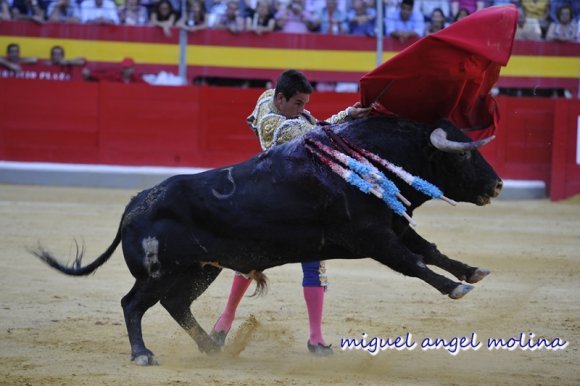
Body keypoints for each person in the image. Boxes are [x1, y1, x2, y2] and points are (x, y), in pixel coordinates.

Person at [210, 69, 371, 357]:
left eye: (305, 104)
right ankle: (227, 320)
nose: (303, 109)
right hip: (282, 203)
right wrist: (349, 116)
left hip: (283, 198)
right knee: (260, 261)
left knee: (266, 261)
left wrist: (349, 113)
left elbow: (314, 124)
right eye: (299, 103)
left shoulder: (266, 100)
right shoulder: (282, 128)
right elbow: (323, 134)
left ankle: (313, 337)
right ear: (281, 98)